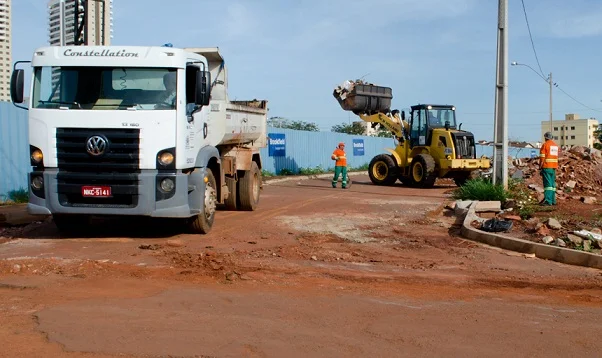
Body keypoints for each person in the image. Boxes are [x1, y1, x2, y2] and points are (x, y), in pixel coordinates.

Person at [539, 131, 559, 206]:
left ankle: (548, 201)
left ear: (545, 138)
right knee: (552, 184)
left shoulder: (545, 145)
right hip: (553, 167)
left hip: (546, 166)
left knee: (547, 185)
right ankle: (553, 200)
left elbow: (542, 157)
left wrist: (540, 166)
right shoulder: (555, 146)